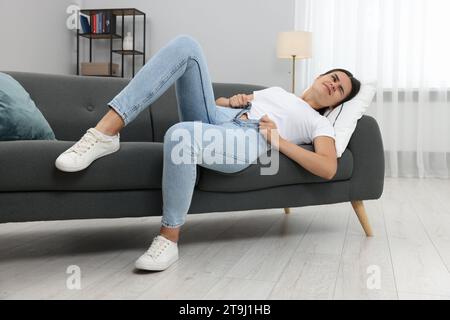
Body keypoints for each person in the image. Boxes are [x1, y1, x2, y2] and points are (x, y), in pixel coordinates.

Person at [55, 35, 361, 271]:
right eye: (334, 78)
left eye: (340, 89)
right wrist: (230, 101)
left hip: (250, 137)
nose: (334, 85)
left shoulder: (319, 122)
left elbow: (328, 167)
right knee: (186, 45)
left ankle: (168, 239)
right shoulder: (278, 92)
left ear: (336, 103)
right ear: (321, 75)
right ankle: (104, 133)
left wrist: (278, 141)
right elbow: (222, 104)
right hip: (221, 117)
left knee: (180, 135)